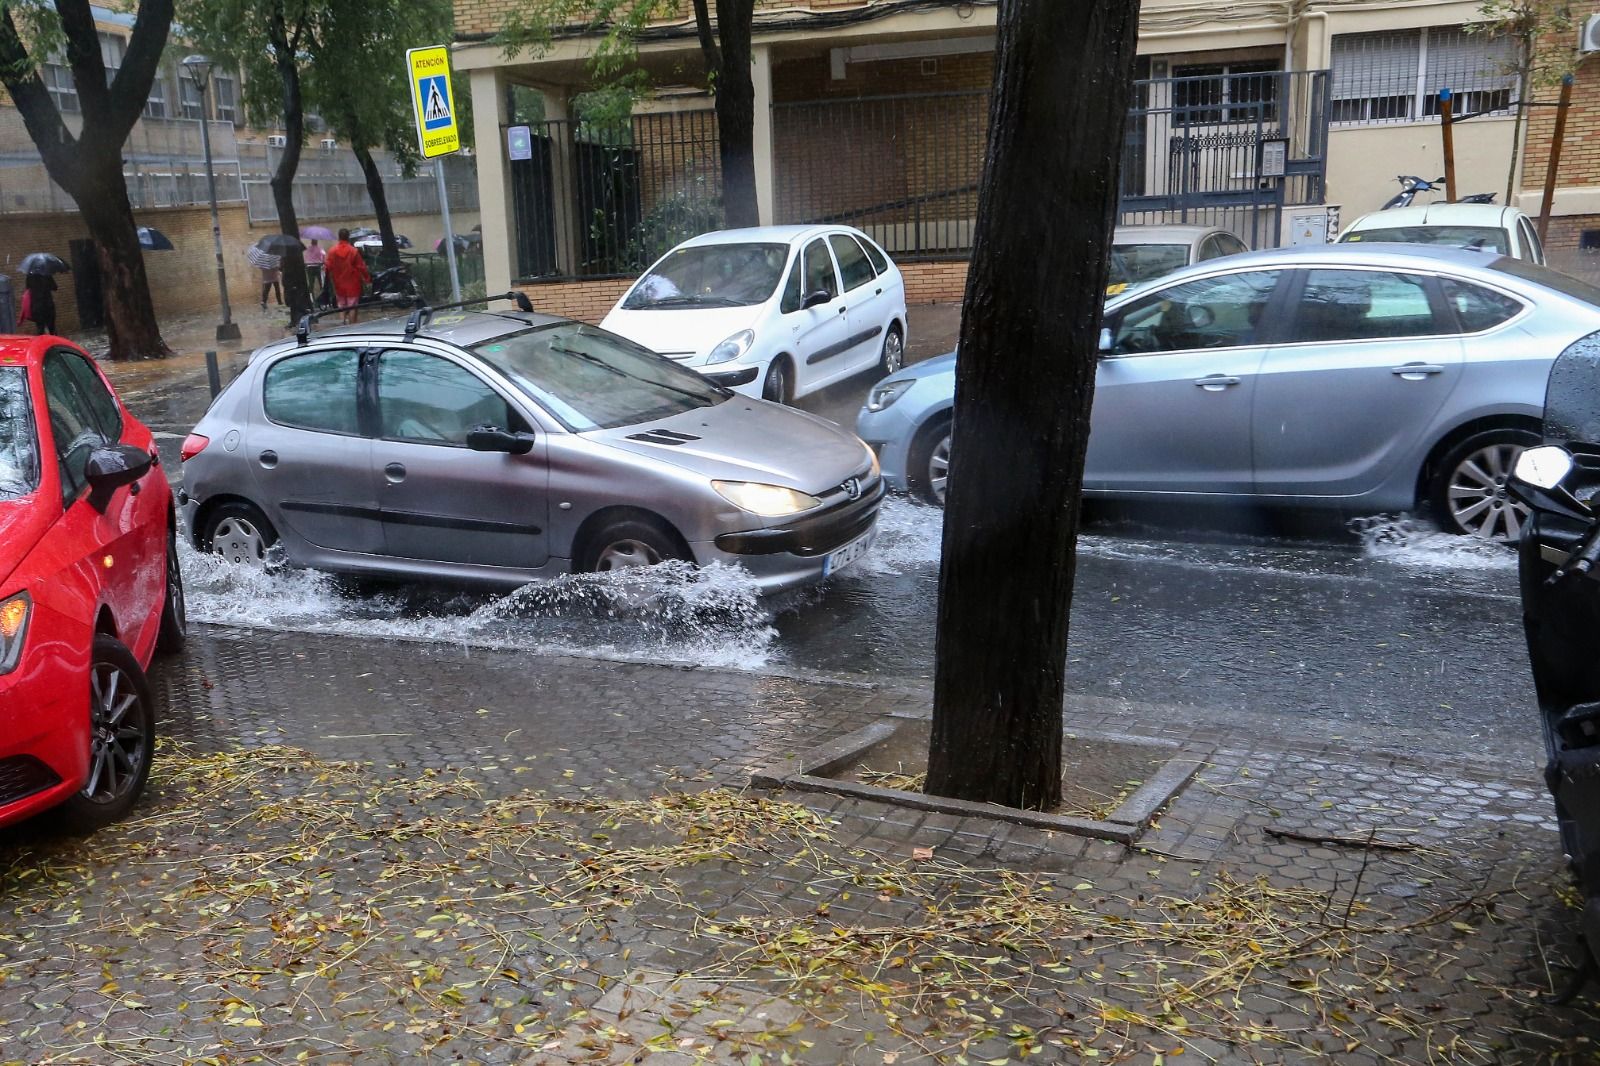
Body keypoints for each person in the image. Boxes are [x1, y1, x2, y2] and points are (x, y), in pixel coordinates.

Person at [323, 228, 371, 325]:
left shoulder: (332, 251)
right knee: (352, 306)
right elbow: (361, 267)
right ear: (348, 237)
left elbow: (327, 266)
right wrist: (367, 279)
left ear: (339, 237)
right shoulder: (353, 251)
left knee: (342, 306)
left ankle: (343, 326)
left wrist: (328, 278)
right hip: (353, 283)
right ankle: (352, 327)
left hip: (338, 283)